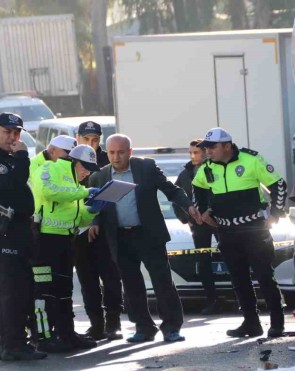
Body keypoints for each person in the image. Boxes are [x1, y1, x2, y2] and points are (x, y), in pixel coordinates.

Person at [88, 134, 201, 343]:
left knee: (162, 281)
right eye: (112, 152)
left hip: (148, 234)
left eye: (121, 152)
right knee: (131, 285)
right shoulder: (100, 176)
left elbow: (172, 190)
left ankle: (171, 327)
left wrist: (188, 205)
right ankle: (143, 327)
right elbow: (96, 207)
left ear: (129, 152)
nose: (116, 157)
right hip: (120, 237)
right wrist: (94, 223)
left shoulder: (146, 168)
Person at [191, 127, 288, 338]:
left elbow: (278, 184)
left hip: (254, 229)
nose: (208, 152)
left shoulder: (251, 160)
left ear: (227, 146)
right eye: (206, 148)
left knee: (264, 275)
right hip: (226, 231)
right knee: (238, 278)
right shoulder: (207, 168)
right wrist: (203, 210)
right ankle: (251, 323)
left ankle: (277, 322)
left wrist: (276, 213)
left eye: (212, 147)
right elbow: (197, 187)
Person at [0, 112, 47, 362]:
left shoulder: (6, 156)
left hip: (18, 228)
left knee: (20, 287)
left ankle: (12, 341)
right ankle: (12, 344)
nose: (12, 137)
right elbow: (14, 183)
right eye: (7, 132)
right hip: (4, 229)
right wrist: (22, 155)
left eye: (16, 133)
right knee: (12, 288)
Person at [28, 137, 99, 353]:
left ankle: (66, 333)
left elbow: (79, 219)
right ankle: (42, 336)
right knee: (43, 291)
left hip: (65, 241)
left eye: (91, 169)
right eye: (86, 167)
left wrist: (94, 209)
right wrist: (85, 193)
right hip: (44, 241)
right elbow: (47, 192)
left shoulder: (77, 185)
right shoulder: (50, 167)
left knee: (64, 290)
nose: (88, 173)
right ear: (73, 161)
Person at [74, 120, 124, 340]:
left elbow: (113, 195)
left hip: (104, 230)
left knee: (111, 276)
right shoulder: (69, 161)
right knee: (87, 279)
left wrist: (97, 220)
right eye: (86, 139)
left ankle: (113, 322)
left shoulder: (107, 161)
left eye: (95, 140)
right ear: (78, 138)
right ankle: (96, 323)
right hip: (78, 230)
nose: (91, 143)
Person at [174, 139, 220, 314]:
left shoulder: (214, 169)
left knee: (232, 258)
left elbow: (220, 193)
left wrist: (211, 213)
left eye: (196, 152)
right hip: (198, 225)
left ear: (205, 152)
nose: (193, 156)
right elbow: (176, 198)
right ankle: (211, 301)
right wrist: (188, 218)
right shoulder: (185, 174)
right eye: (191, 152)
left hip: (218, 222)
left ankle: (241, 299)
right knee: (203, 262)